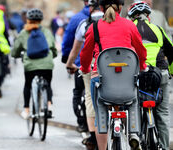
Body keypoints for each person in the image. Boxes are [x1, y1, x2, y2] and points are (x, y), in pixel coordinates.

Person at [79, 0, 148, 149]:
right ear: (121, 7)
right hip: (126, 81)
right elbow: (141, 50)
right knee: (133, 100)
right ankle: (133, 133)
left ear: (101, 7)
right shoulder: (130, 25)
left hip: (102, 81)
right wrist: (142, 66)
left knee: (100, 112)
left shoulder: (94, 27)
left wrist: (84, 68)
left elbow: (85, 54)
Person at [128, 1, 173, 149]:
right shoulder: (158, 30)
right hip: (161, 74)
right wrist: (171, 72)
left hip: (138, 75)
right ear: (148, 16)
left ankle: (136, 136)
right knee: (163, 113)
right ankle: (165, 147)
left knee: (134, 105)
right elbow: (171, 53)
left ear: (132, 17)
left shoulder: (129, 30)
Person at [66, 0, 103, 149]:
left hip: (93, 64)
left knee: (90, 95)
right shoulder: (114, 22)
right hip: (116, 62)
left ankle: (93, 137)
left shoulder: (85, 24)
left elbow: (77, 50)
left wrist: (70, 64)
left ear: (90, 8)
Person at [12, 8, 57, 119]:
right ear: (41, 20)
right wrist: (53, 55)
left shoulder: (23, 33)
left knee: (28, 84)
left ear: (27, 20)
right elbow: (54, 49)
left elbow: (15, 50)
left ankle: (26, 109)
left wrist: (16, 55)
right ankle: (49, 104)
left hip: (30, 66)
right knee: (47, 84)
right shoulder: (46, 32)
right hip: (47, 64)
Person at [61, 0, 90, 133]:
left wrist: (66, 58)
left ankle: (82, 122)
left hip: (80, 63)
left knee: (78, 92)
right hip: (105, 64)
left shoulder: (77, 19)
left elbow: (68, 40)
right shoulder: (107, 17)